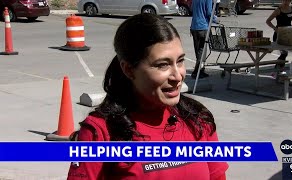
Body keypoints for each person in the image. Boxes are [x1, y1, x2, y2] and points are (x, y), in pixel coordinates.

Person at [67, 13, 228, 180]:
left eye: (180, 61)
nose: (178, 76)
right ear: (128, 69)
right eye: (162, 65)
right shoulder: (100, 132)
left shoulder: (197, 119)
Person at [266, 0, 292, 76]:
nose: (287, 2)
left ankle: (277, 70)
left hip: (288, 33)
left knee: (285, 53)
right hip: (279, 34)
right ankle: (279, 70)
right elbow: (268, 21)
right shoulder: (278, 10)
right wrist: (275, 28)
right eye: (285, 0)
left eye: (289, 0)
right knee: (284, 53)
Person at [190, 0, 214, 79]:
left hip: (194, 26)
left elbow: (192, 9)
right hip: (203, 27)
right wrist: (216, 19)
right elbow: (209, 13)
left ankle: (200, 70)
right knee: (202, 51)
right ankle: (197, 71)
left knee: (198, 50)